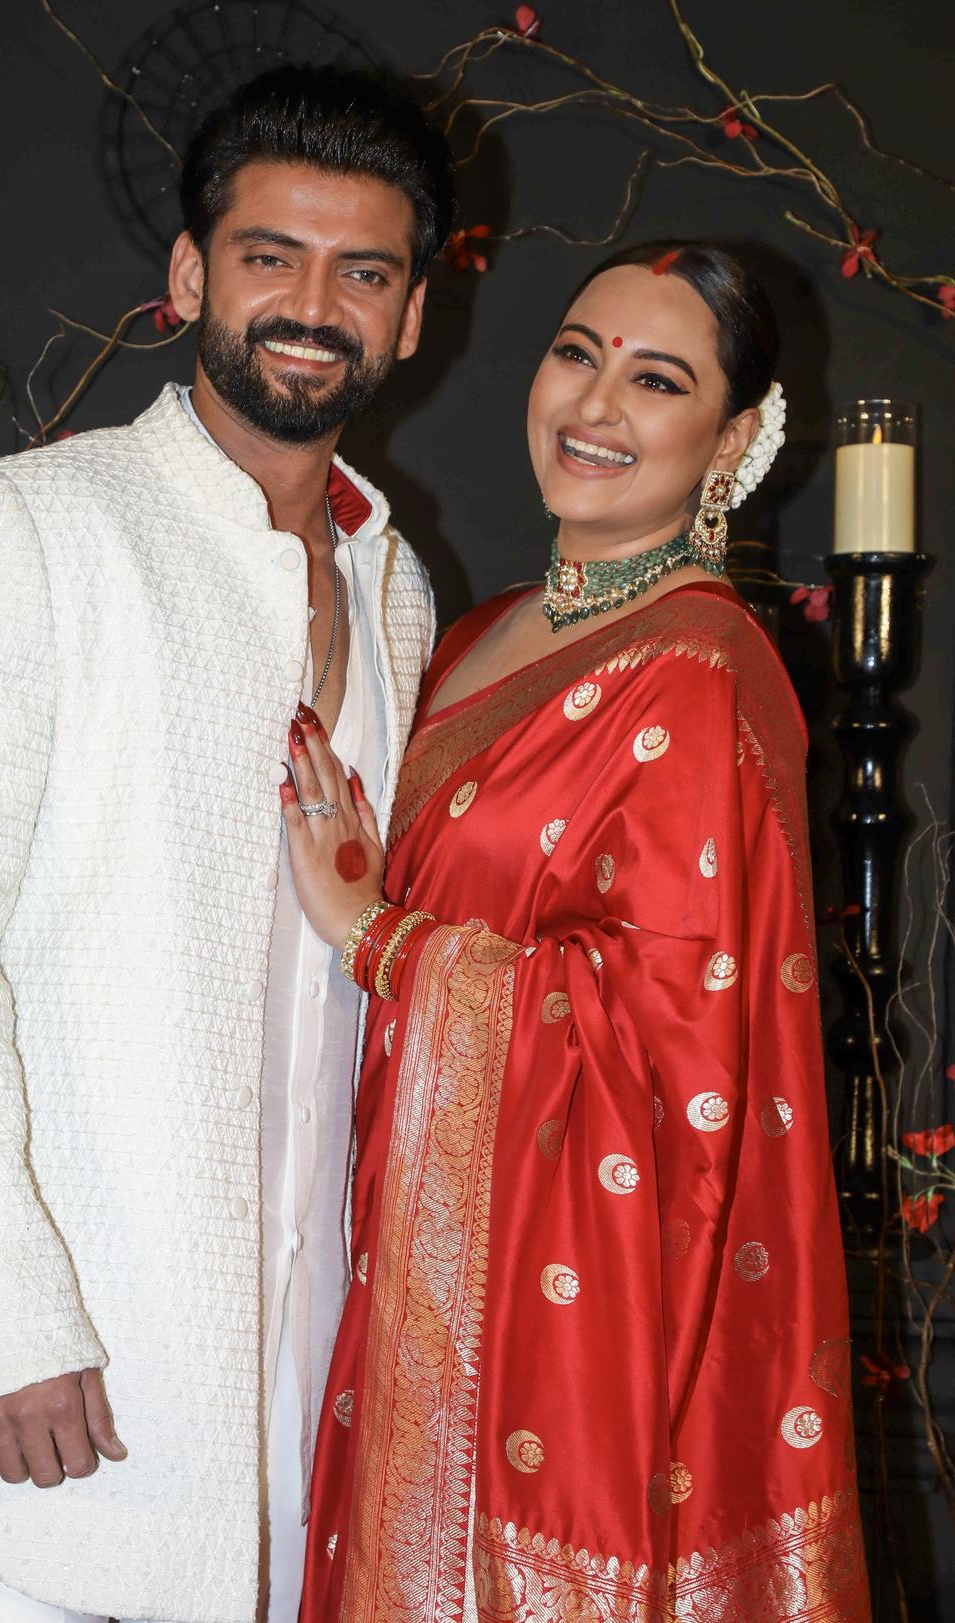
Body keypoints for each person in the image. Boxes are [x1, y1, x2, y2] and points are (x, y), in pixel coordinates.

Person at [0, 63, 453, 1623]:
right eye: (271, 257)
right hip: (59, 1373)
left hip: (305, 1367)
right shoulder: (29, 524)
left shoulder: (399, 589)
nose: (314, 304)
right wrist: (1, 1316)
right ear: (191, 276)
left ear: (411, 317)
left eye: (363, 272)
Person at [281, 241, 872, 1620]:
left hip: (567, 1318)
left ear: (731, 442)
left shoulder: (705, 671)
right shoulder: (471, 628)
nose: (594, 406)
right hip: (399, 1263)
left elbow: (667, 1042)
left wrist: (382, 941)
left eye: (656, 380)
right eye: (576, 352)